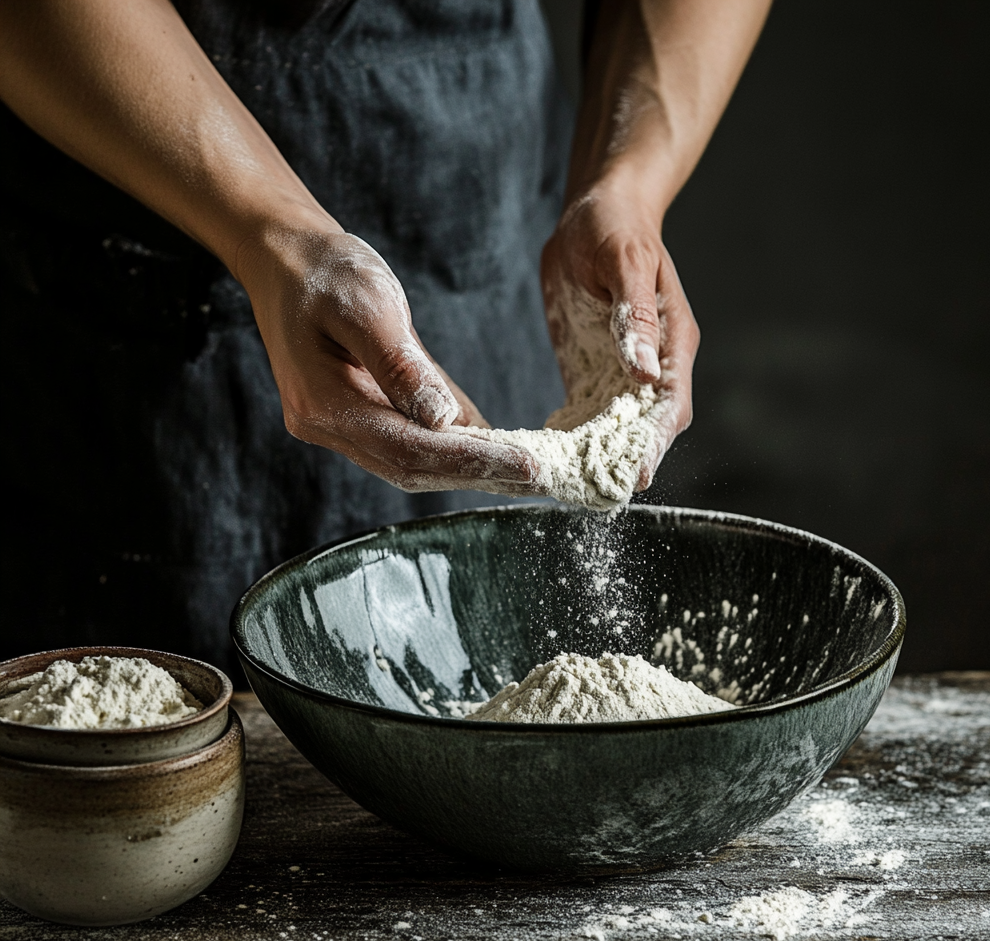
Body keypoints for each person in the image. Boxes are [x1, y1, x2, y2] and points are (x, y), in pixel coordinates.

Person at [0, 0, 771, 675]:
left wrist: (629, 180)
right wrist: (272, 238)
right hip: (140, 254)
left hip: (480, 209)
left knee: (479, 675)